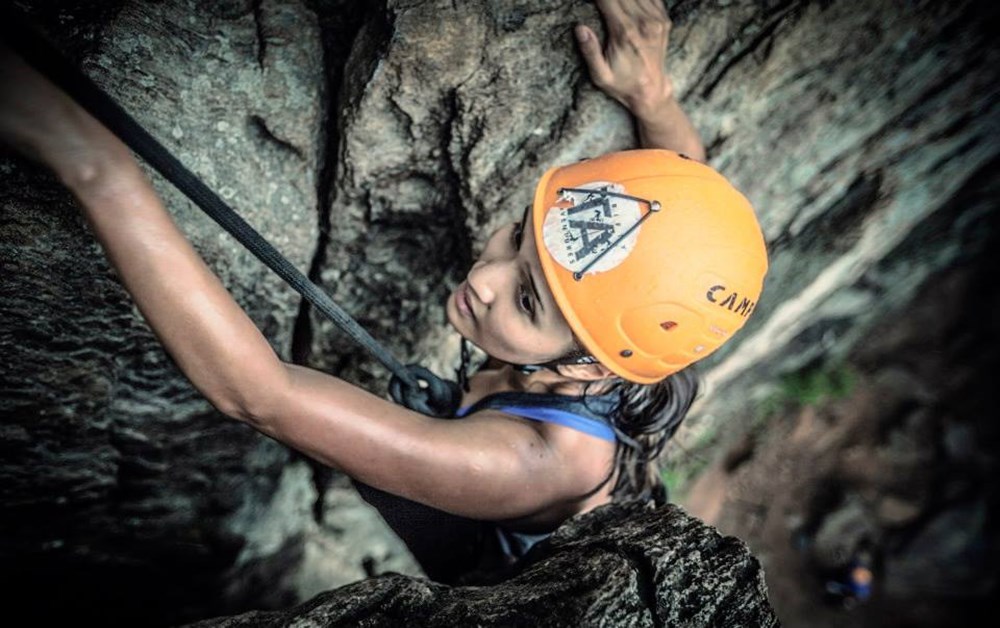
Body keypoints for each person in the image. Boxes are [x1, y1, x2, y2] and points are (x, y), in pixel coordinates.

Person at [0, 0, 767, 584]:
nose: (483, 280)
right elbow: (679, 207)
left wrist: (91, 164)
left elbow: (258, 394)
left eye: (530, 300)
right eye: (516, 239)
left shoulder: (527, 464)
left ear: (588, 370)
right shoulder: (621, 332)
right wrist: (654, 96)